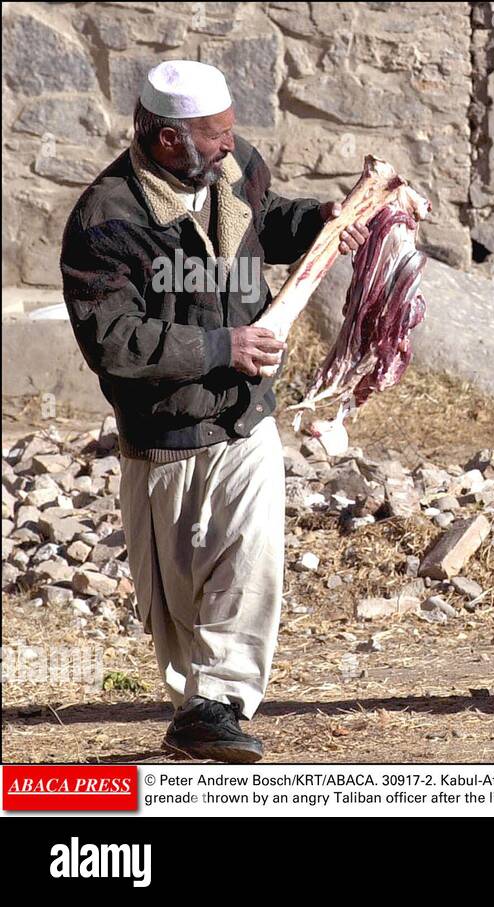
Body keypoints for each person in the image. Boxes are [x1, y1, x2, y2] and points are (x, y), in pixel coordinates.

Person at [59, 60, 369, 762]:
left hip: (246, 419)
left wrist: (318, 220)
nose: (233, 144)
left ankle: (219, 702)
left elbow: (268, 223)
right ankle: (196, 711)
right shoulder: (105, 221)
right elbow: (114, 340)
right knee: (175, 608)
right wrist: (220, 344)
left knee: (250, 559)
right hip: (164, 438)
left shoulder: (238, 168)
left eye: (232, 131)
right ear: (170, 140)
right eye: (216, 135)